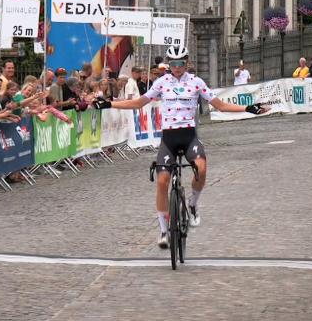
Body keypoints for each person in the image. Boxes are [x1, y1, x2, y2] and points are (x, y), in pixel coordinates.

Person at [93, 45, 268, 248]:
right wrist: (109, 104)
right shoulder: (161, 82)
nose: (177, 67)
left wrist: (248, 109)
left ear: (187, 63)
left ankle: (193, 205)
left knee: (201, 168)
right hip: (169, 138)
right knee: (162, 182)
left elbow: (219, 105)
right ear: (169, 64)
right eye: (173, 63)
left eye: (181, 63)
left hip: (189, 136)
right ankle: (163, 231)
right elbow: (139, 103)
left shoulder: (196, 82)